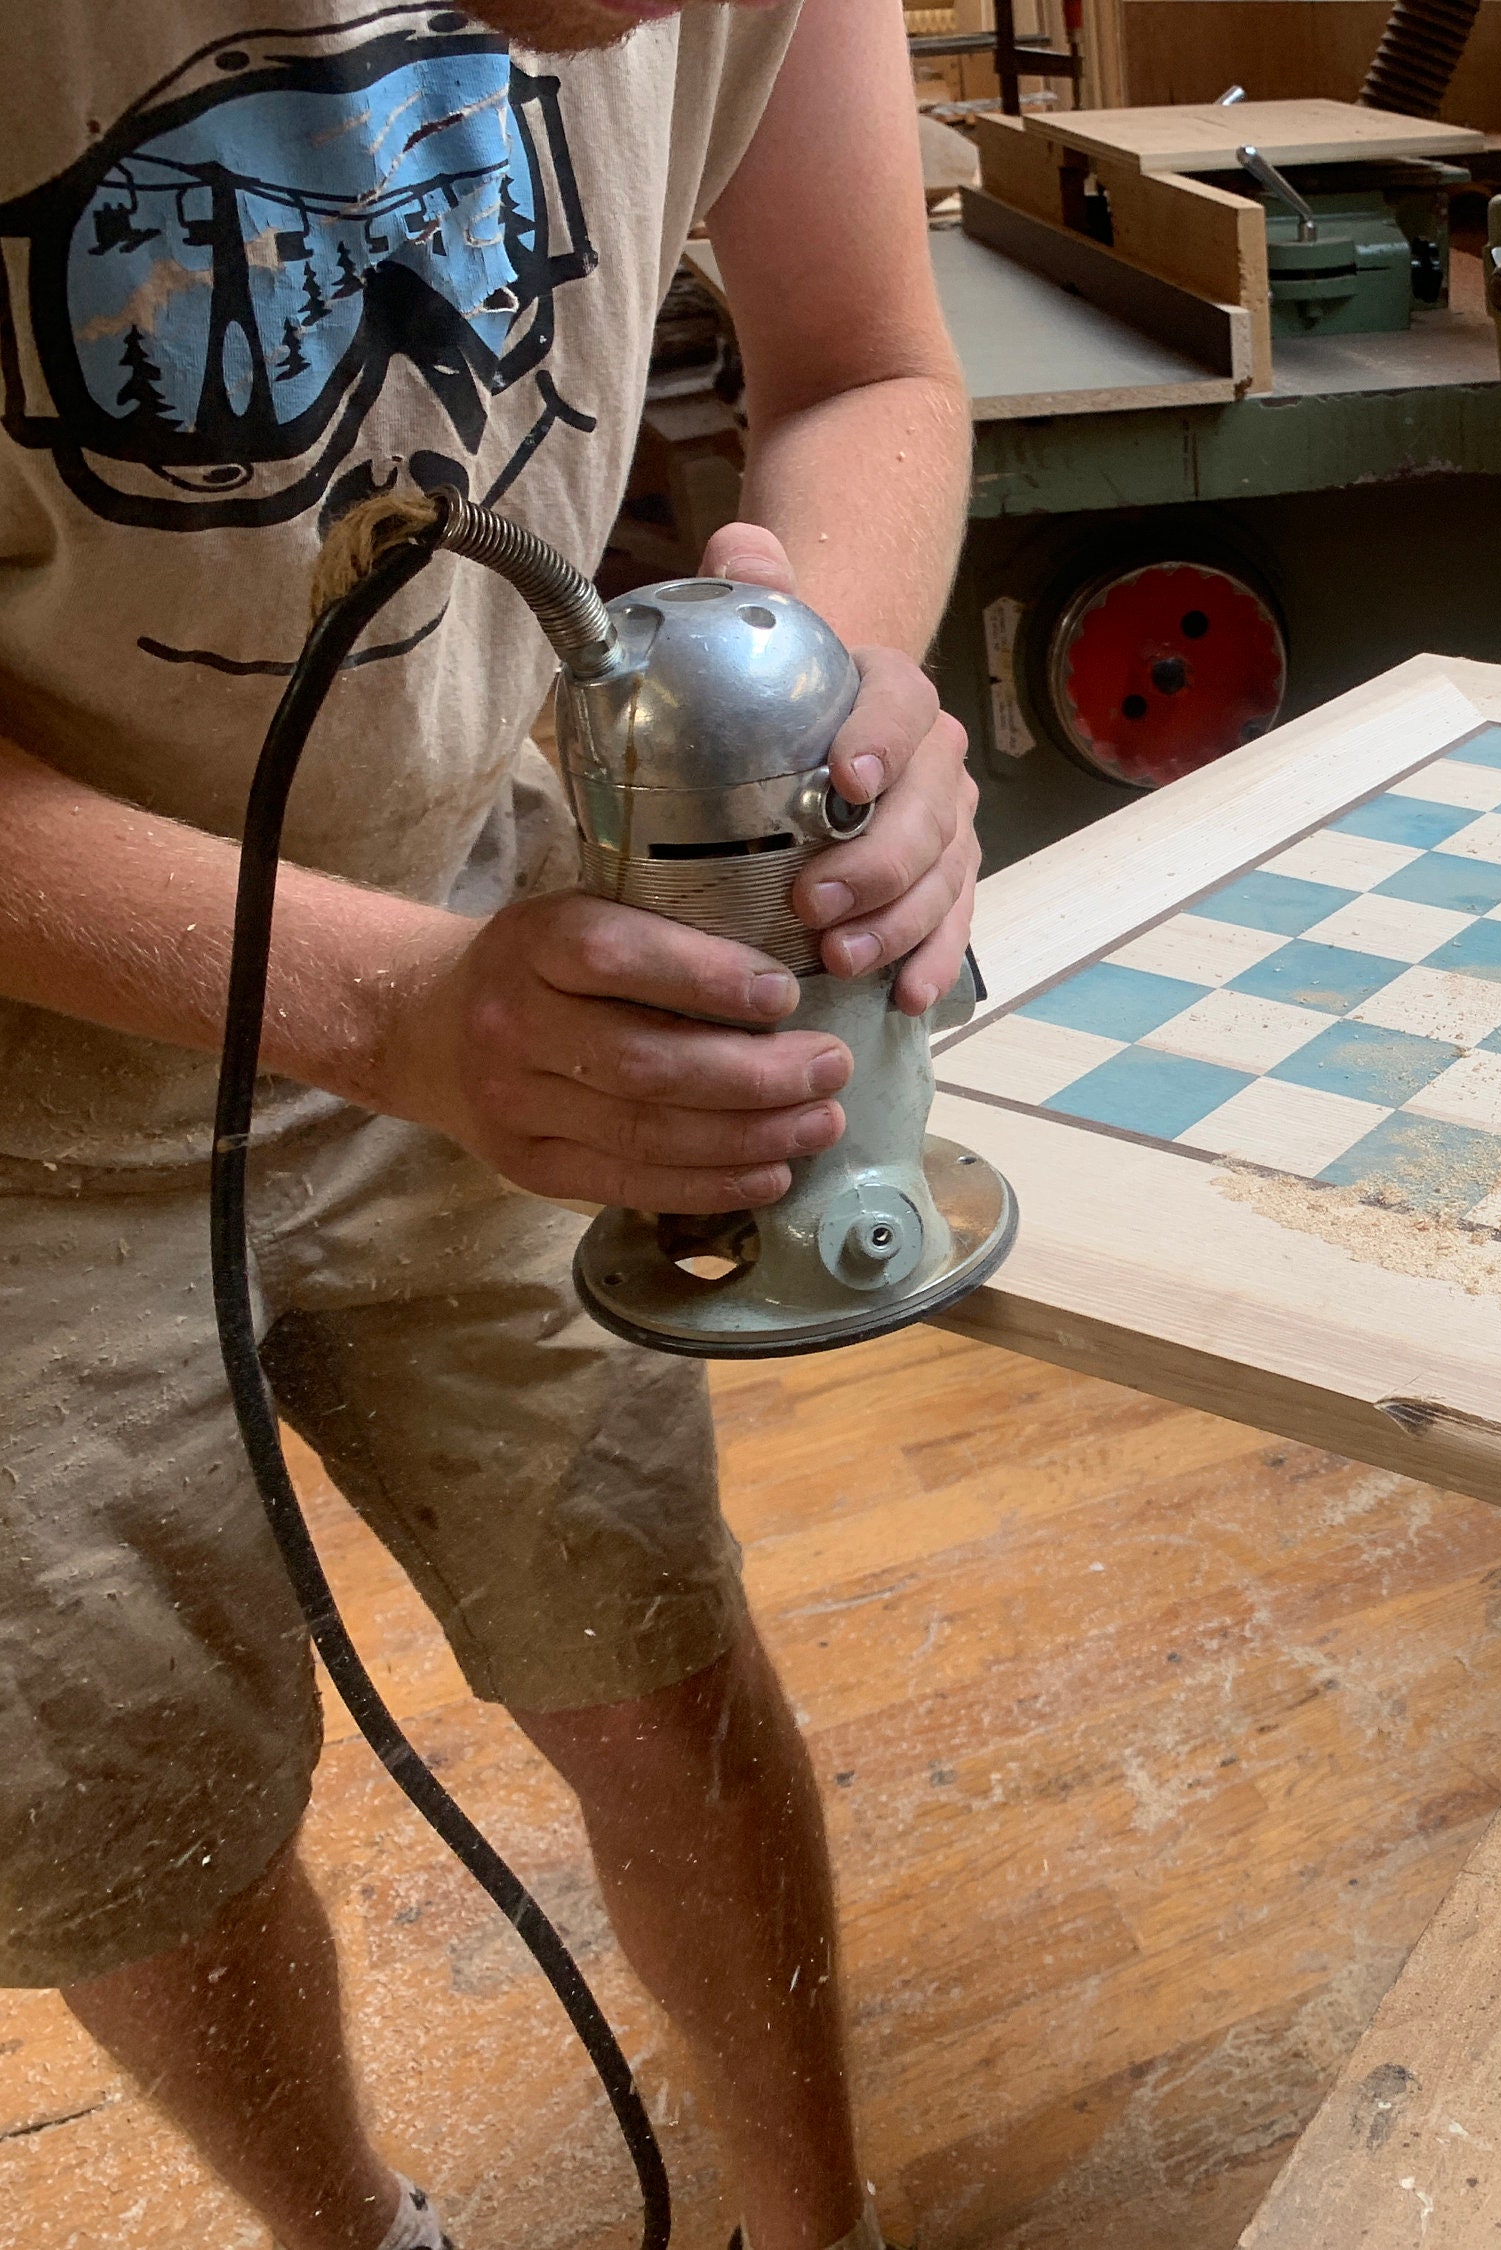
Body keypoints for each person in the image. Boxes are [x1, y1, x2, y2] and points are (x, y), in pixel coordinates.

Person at [0, 4, 975, 2246]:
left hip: (487, 928)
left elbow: (860, 362)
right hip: (23, 1078)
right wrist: (378, 1008)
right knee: (119, 1795)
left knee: (646, 1642)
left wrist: (800, 702)